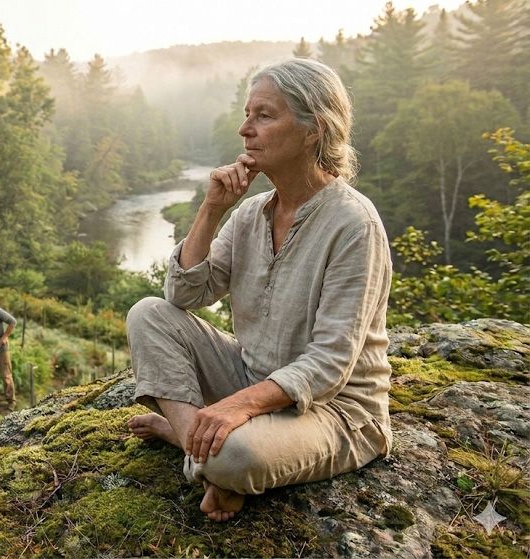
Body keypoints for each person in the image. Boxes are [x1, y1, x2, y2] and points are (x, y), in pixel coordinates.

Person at [126, 58, 392, 522]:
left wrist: (235, 407)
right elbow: (184, 296)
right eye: (247, 114)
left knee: (235, 456)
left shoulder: (354, 224)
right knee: (147, 313)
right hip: (252, 377)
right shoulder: (250, 213)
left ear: (314, 129)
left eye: (264, 115)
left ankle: (193, 445)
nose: (245, 129)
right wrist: (211, 209)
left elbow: (330, 363)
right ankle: (200, 449)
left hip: (336, 411)